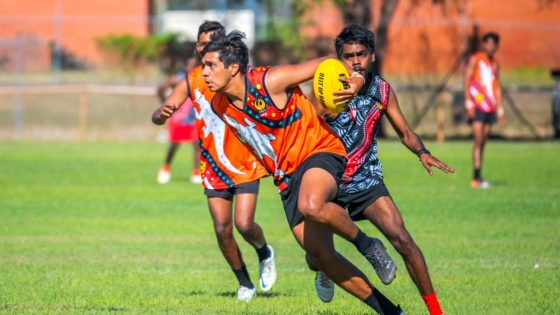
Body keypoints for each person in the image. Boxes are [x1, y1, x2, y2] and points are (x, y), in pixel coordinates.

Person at [201, 30, 402, 314]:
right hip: (286, 178)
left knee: (312, 205)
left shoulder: (270, 81)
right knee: (320, 255)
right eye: (203, 65)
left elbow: (324, 64)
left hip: (318, 150)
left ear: (233, 68)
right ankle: (391, 312)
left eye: (210, 65)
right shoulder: (219, 106)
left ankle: (369, 246)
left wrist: (355, 78)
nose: (204, 72)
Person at [308, 24, 455, 315]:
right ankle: (324, 267)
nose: (355, 61)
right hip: (328, 179)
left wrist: (422, 152)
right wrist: (343, 93)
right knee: (316, 256)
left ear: (372, 56)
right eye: (348, 55)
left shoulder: (383, 90)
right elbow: (316, 116)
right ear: (340, 58)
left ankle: (437, 312)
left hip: (366, 178)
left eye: (361, 54)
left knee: (404, 240)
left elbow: (404, 131)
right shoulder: (327, 84)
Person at [152, 21, 276, 302]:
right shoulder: (193, 78)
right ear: (198, 48)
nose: (208, 47)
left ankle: (264, 251)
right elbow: (163, 110)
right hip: (213, 165)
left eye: (214, 41)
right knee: (222, 229)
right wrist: (161, 114)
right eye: (203, 43)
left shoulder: (238, 74)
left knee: (244, 225)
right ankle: (245, 283)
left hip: (244, 160)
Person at [464, 32, 505, 189]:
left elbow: (497, 87)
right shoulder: (476, 59)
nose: (491, 47)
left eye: (494, 44)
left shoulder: (495, 64)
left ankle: (479, 175)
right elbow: (467, 80)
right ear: (484, 44)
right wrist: (468, 103)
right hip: (477, 105)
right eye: (488, 43)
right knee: (478, 140)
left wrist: (500, 110)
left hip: (490, 106)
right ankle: (476, 177)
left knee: (484, 141)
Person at [156, 57, 202, 184]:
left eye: (195, 65)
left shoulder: (200, 78)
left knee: (197, 145)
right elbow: (160, 89)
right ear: (186, 66)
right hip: (178, 118)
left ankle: (196, 172)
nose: (193, 67)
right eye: (190, 65)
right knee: (174, 145)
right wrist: (165, 103)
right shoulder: (179, 79)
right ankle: (165, 167)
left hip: (194, 118)